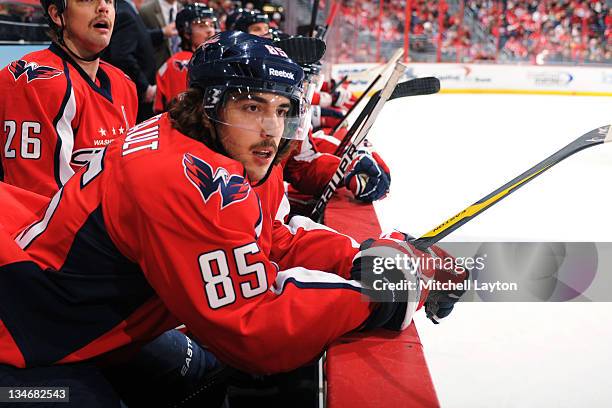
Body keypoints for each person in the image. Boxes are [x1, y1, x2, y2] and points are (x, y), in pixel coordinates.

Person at [0, 31, 466, 405]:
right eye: (252, 107)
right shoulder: (179, 177)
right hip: (25, 343)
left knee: (201, 373)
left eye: (282, 110)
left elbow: (271, 241)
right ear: (209, 105)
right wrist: (382, 294)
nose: (272, 129)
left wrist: (358, 256)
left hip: (67, 313)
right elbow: (253, 330)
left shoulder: (202, 145)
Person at [0, 0, 138, 198]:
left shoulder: (124, 83)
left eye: (109, 0)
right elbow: (40, 205)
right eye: (87, 0)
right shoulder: (36, 82)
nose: (103, 7)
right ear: (57, 15)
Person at [154, 2, 218, 113]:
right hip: (189, 127)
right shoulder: (178, 64)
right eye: (202, 25)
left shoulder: (215, 58)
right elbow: (182, 113)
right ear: (186, 32)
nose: (210, 30)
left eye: (211, 25)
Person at [139, 0, 181, 69]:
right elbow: (139, 37)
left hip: (179, 67)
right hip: (157, 67)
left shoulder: (182, 8)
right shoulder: (146, 10)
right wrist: (162, 33)